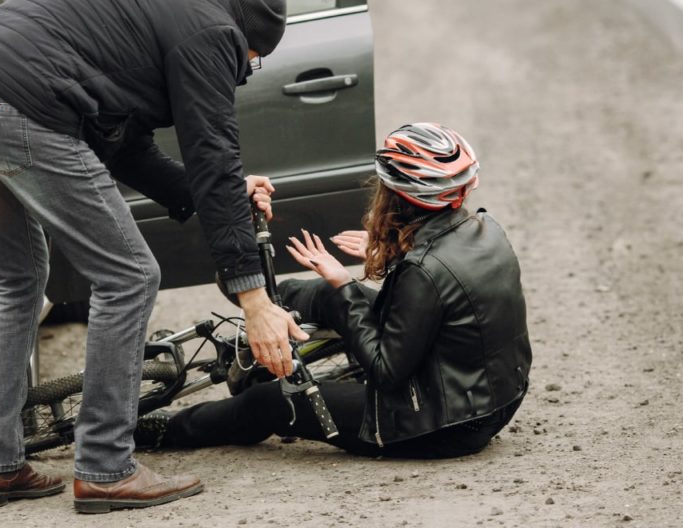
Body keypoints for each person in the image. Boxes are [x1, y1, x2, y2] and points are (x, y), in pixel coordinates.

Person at [0, 0, 308, 514]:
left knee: (17, 279)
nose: (245, 71)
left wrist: (217, 193)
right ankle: (106, 466)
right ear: (247, 40)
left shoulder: (169, 5)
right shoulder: (213, 32)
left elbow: (128, 147)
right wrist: (255, 299)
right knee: (128, 275)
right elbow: (215, 158)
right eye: (251, 63)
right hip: (18, 104)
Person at [134, 123, 533, 459]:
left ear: (398, 196)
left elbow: (385, 371)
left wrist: (345, 282)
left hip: (440, 425)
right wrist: (391, 254)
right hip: (494, 399)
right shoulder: (485, 229)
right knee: (328, 296)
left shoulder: (422, 272)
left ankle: (158, 432)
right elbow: (446, 297)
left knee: (268, 402)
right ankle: (265, 305)